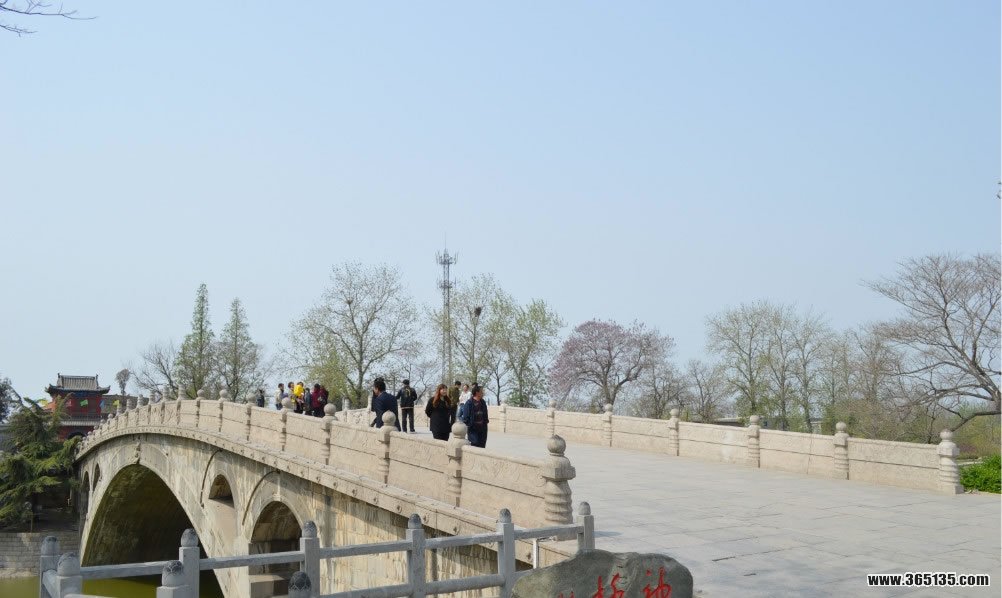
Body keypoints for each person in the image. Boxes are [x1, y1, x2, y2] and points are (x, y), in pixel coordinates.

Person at [461, 383, 489, 448]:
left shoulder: (483, 402)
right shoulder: (469, 403)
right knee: (474, 445)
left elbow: (485, 414)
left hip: (482, 429)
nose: (483, 393)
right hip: (473, 429)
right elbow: (465, 418)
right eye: (482, 391)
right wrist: (470, 425)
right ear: (477, 393)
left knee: (482, 446)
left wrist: (485, 422)